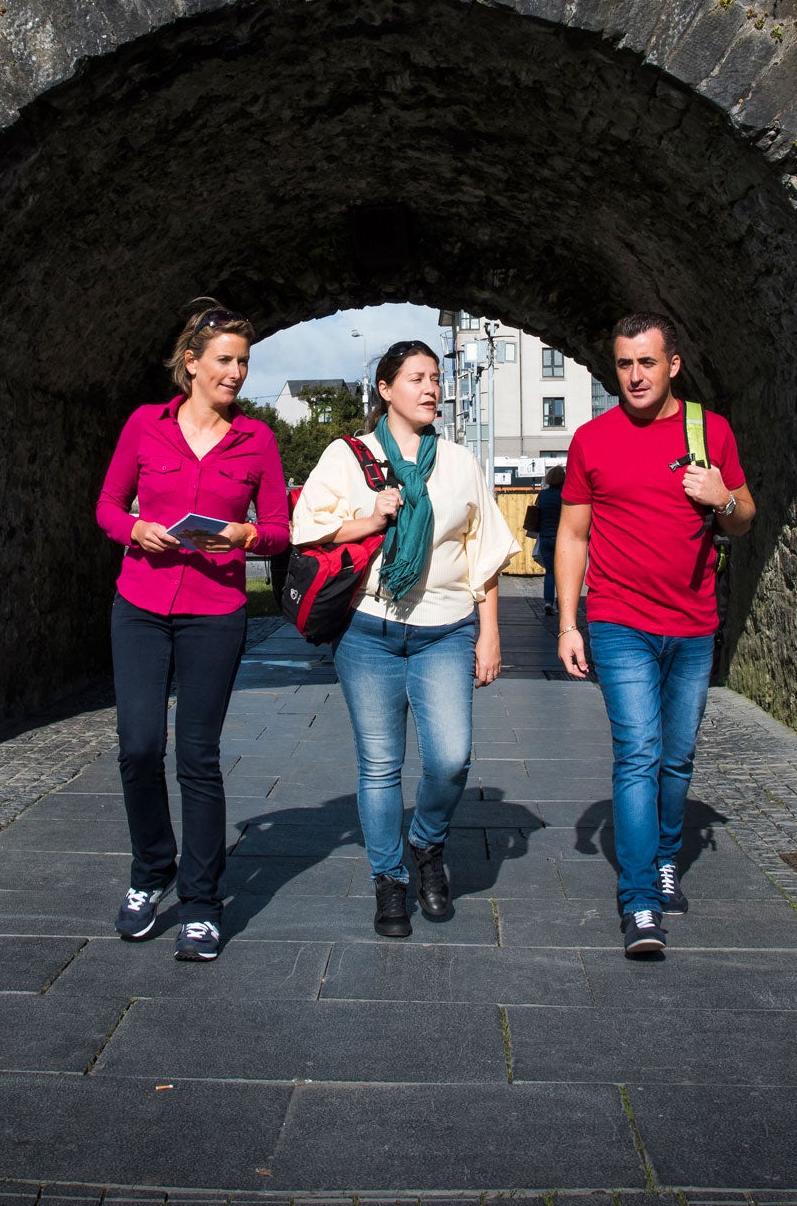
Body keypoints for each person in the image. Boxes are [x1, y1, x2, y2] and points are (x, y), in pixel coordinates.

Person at [292, 340, 512, 939]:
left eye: (435, 378)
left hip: (445, 629)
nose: (431, 388)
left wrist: (489, 634)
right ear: (385, 389)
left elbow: (483, 553)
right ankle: (389, 879)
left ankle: (427, 843)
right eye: (416, 378)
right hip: (368, 629)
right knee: (381, 764)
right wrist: (373, 517)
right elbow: (305, 528)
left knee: (450, 757)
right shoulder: (348, 456)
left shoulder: (460, 463)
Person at [93, 299, 290, 962]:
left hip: (215, 611)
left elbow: (281, 530)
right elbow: (107, 506)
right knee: (139, 747)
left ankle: (202, 904)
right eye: (225, 360)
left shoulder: (256, 440)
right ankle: (150, 874)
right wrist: (135, 529)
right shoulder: (146, 427)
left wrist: (247, 534)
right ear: (192, 363)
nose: (236, 373)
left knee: (197, 756)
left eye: (243, 362)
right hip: (141, 603)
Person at [553, 313, 753, 959]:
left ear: (673, 365)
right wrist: (567, 622)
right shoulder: (591, 439)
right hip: (619, 622)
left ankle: (666, 856)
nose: (634, 376)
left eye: (646, 362)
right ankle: (639, 900)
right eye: (623, 364)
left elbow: (745, 518)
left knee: (677, 757)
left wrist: (721, 497)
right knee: (638, 753)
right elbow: (573, 535)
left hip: (693, 625)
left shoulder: (709, 431)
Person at [527, 465, 567, 615]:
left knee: (549, 571)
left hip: (544, 538)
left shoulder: (543, 495)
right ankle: (561, 604)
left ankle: (548, 602)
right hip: (561, 539)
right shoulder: (565, 495)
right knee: (562, 573)